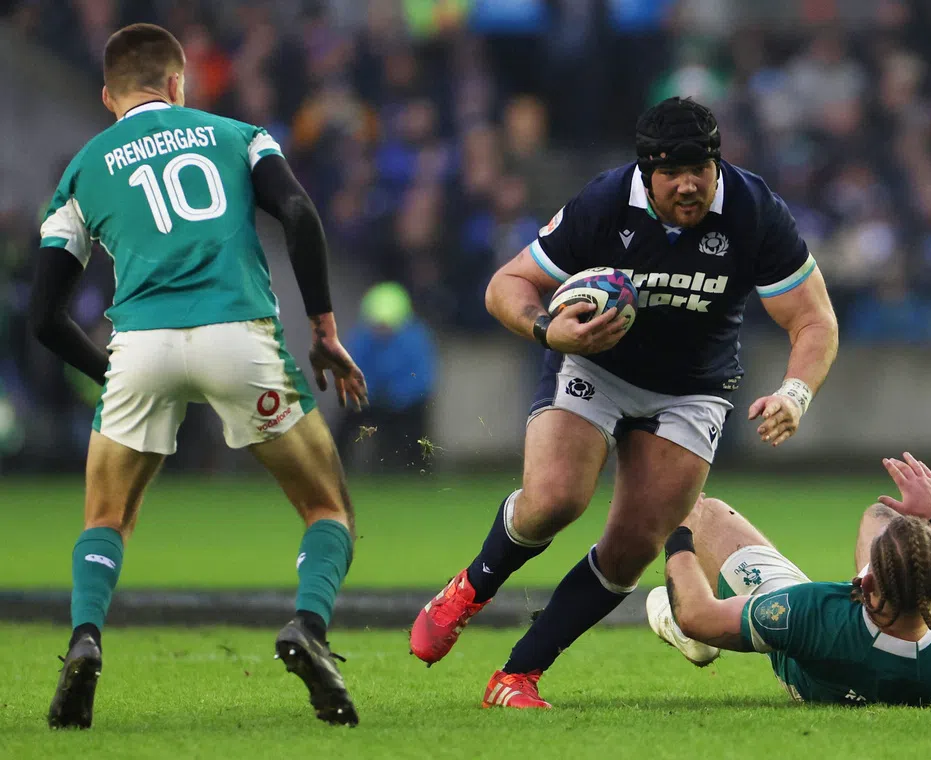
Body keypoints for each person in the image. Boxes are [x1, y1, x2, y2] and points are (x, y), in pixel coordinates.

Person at [410, 96, 839, 708]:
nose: (690, 186)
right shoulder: (606, 201)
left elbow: (815, 320)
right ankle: (471, 587)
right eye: (673, 173)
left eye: (702, 169)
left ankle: (516, 676)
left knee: (633, 546)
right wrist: (546, 330)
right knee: (554, 501)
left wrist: (796, 394)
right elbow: (507, 284)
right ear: (645, 171)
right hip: (595, 363)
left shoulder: (752, 208)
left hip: (694, 386)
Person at [30, 24, 368, 728]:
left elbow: (43, 317)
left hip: (140, 347)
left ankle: (85, 640)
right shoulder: (237, 134)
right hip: (239, 334)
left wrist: (112, 375)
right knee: (328, 507)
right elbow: (301, 214)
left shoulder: (83, 167)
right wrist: (326, 328)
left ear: (108, 97)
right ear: (178, 83)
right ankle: (307, 627)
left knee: (107, 518)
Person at [646, 453, 931, 706]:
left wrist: (679, 527)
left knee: (708, 514)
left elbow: (698, 616)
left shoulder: (811, 611)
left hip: (816, 668)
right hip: (871, 650)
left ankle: (677, 627)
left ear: (867, 583)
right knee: (882, 515)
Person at [335, 282, 437, 471]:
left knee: (415, 434)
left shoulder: (415, 339)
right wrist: (371, 395)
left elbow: (421, 379)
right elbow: (352, 371)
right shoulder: (362, 338)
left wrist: (395, 397)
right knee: (345, 426)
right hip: (371, 400)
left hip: (404, 404)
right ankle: (335, 469)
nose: (382, 330)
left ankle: (419, 472)